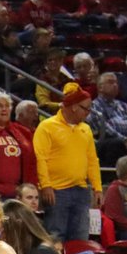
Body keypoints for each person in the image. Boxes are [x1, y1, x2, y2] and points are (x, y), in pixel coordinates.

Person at [34, 83, 102, 242]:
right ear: (74, 107)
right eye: (86, 109)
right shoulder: (47, 127)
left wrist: (98, 188)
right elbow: (40, 158)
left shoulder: (86, 129)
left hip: (81, 190)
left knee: (80, 238)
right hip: (56, 191)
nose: (88, 113)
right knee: (55, 236)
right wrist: (46, 186)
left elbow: (92, 160)